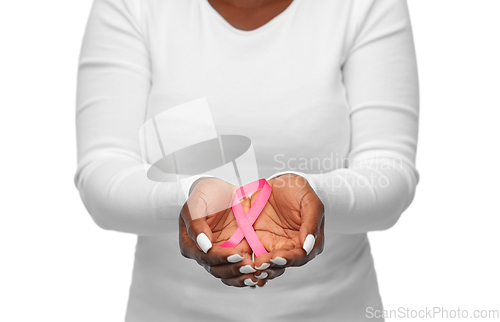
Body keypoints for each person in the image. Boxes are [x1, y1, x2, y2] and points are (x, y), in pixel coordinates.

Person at [74, 0, 420, 320]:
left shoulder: (364, 5)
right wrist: (184, 198)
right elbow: (103, 171)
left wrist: (318, 193)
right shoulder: (133, 6)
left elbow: (389, 171)